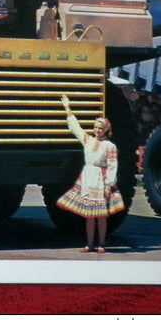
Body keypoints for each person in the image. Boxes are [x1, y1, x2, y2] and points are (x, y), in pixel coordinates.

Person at [56, 94, 125, 254]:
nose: (97, 130)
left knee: (101, 215)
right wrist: (67, 108)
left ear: (106, 130)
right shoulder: (88, 140)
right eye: (95, 127)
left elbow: (112, 165)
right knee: (89, 215)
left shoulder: (110, 146)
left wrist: (109, 185)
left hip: (101, 179)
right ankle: (89, 244)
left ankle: (101, 243)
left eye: (101, 128)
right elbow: (76, 127)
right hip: (88, 177)